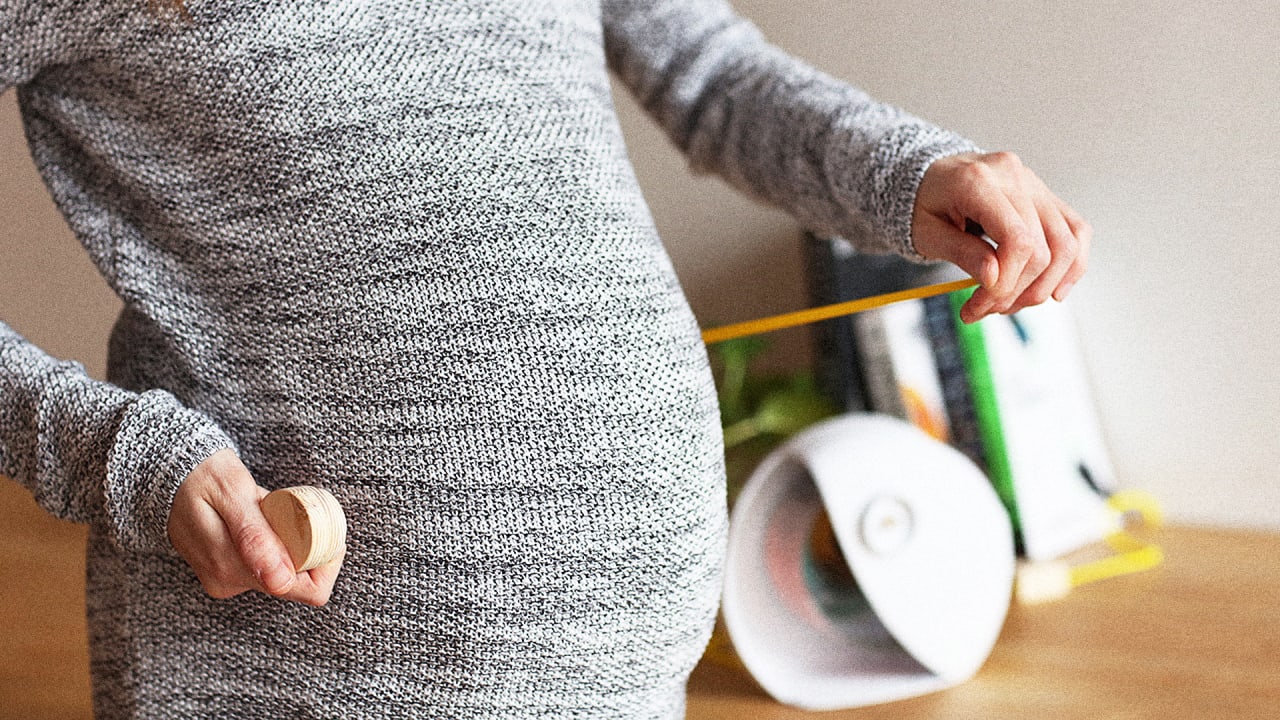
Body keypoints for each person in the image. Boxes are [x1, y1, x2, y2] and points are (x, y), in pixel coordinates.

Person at [0, 0, 1088, 717]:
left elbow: (711, 76)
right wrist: (119, 452)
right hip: (309, 664)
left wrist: (908, 168)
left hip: (615, 668)